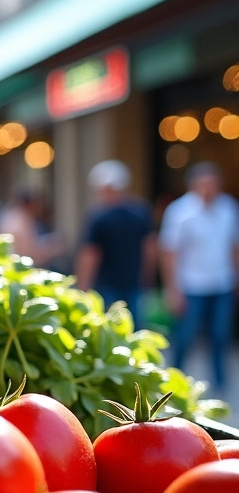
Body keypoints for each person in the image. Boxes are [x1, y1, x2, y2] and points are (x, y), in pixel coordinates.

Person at [160, 161, 239, 393]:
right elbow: (169, 253)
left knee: (220, 335)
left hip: (221, 282)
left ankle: (220, 384)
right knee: (185, 335)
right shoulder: (179, 211)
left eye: (212, 184)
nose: (208, 188)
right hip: (191, 284)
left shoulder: (228, 208)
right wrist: (173, 290)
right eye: (204, 184)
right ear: (193, 185)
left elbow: (233, 246)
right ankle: (174, 381)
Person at [75, 160, 155, 324]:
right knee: (134, 331)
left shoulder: (98, 216)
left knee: (109, 330)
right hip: (134, 283)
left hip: (106, 286)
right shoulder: (140, 211)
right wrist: (148, 278)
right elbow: (150, 248)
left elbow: (90, 255)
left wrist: (82, 289)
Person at [0, 187, 61, 266]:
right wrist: (52, 250)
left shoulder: (9, 214)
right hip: (19, 267)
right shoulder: (21, 221)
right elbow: (30, 254)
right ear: (30, 204)